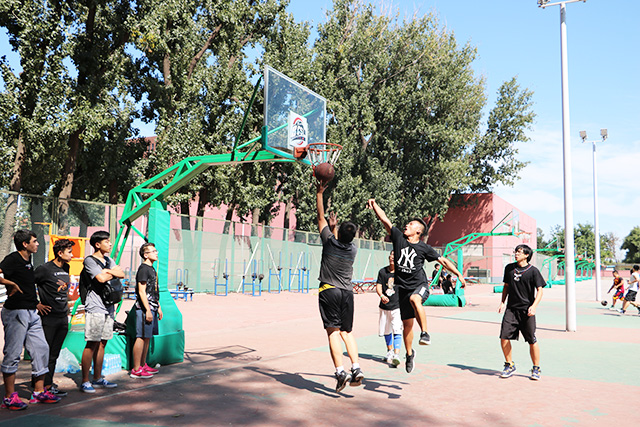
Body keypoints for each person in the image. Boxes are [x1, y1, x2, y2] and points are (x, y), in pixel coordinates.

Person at [367, 199, 466, 373]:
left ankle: (425, 333)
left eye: (411, 224)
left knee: (415, 299)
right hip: (402, 289)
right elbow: (385, 220)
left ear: (418, 231)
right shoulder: (399, 238)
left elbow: (442, 261)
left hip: (419, 285)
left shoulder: (424, 248)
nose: (407, 225)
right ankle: (409, 353)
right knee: (407, 325)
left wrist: (458, 274)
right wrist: (375, 205)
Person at [1, 230, 60, 410]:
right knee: (13, 353)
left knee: (41, 348)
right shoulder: (12, 259)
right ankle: (10, 397)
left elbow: (26, 285)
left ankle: (39, 391)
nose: (38, 244)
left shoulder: (28, 260)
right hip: (16, 312)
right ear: (25, 244)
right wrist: (10, 284)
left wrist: (36, 304)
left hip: (32, 312)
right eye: (34, 241)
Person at [316, 182, 363, 393]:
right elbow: (338, 238)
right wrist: (335, 228)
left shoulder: (329, 242)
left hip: (329, 290)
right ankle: (356, 367)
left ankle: (340, 371)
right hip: (347, 293)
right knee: (347, 332)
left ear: (337, 233)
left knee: (333, 332)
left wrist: (320, 192)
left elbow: (320, 217)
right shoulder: (352, 249)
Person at [80, 230, 124, 393]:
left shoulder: (108, 260)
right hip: (95, 306)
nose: (110, 244)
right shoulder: (89, 261)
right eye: (107, 241)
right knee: (92, 342)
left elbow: (121, 273)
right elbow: (100, 278)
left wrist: (109, 271)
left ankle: (97, 378)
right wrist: (110, 273)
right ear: (97, 244)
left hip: (108, 306)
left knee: (103, 342)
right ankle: (85, 381)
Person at [34, 238, 75, 397]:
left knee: (54, 354)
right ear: (59, 253)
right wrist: (36, 304)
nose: (72, 255)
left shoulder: (66, 267)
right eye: (69, 252)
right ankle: (38, 385)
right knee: (44, 353)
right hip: (48, 318)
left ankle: (48, 385)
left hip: (62, 317)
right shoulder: (44, 269)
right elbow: (27, 284)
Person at [498, 244, 545, 381]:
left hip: (527, 310)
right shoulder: (509, 268)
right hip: (511, 309)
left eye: (519, 252)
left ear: (526, 255)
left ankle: (536, 368)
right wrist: (502, 302)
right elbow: (506, 287)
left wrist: (534, 306)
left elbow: (540, 290)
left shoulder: (533, 271)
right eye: (516, 252)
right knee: (504, 337)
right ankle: (509, 364)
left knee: (531, 339)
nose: (516, 254)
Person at [130, 243, 163, 379]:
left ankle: (143, 365)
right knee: (141, 337)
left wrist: (158, 307)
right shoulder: (143, 269)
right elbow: (142, 291)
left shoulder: (152, 269)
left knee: (147, 337)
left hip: (153, 306)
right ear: (146, 255)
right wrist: (147, 310)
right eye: (153, 251)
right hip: (144, 309)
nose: (156, 253)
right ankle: (136, 369)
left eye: (156, 250)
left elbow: (153, 291)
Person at [376, 251, 402, 367]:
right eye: (391, 256)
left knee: (397, 329)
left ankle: (396, 354)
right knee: (386, 330)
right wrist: (382, 296)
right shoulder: (382, 272)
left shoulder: (401, 273)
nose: (392, 258)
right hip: (384, 307)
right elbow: (378, 286)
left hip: (397, 307)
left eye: (394, 256)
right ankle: (390, 351)